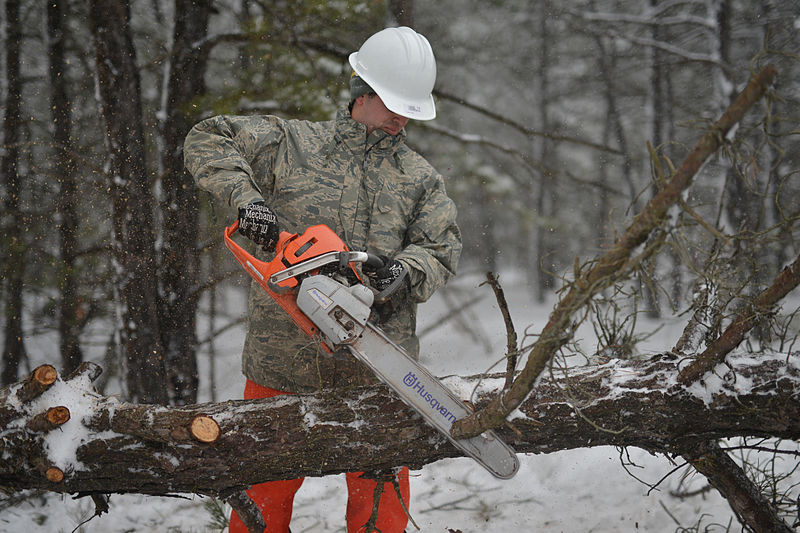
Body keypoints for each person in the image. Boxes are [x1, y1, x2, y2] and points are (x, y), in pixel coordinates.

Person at [184, 26, 461, 533]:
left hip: (378, 371)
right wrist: (248, 202)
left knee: (380, 514)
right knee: (259, 510)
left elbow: (441, 248)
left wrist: (404, 270)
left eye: (409, 107)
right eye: (392, 102)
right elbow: (208, 136)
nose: (400, 117)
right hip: (280, 365)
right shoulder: (293, 144)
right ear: (363, 89)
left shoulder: (420, 178)